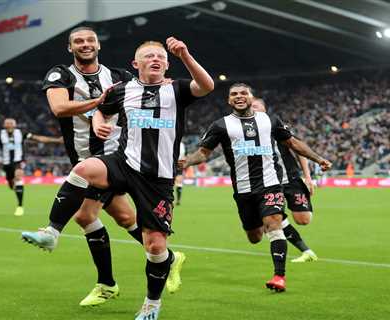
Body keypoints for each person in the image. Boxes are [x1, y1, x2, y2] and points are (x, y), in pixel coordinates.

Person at [71, 37, 214, 319]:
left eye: (160, 56)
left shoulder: (177, 90)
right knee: (84, 197)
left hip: (158, 178)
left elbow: (207, 86)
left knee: (155, 245)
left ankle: (152, 303)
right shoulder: (122, 90)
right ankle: (51, 231)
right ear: (136, 64)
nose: (155, 59)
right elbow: (103, 107)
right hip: (124, 165)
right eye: (148, 56)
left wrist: (185, 54)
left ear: (167, 63)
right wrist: (99, 120)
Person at [21, 26, 151, 307]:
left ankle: (54, 235)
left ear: (98, 45)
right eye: (78, 41)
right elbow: (59, 108)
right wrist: (98, 104)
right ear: (71, 48)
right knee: (125, 218)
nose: (85, 44)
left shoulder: (119, 77)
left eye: (90, 40)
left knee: (84, 215)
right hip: (82, 155)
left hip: (113, 157)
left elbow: (143, 98)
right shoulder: (61, 75)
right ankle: (166, 256)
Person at [183, 83, 331, 292]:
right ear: (229, 100)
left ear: (251, 97)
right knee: (254, 237)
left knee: (274, 225)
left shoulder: (269, 120)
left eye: (244, 93)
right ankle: (265, 224)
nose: (239, 96)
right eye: (234, 94)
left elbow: (294, 143)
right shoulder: (221, 125)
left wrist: (318, 158)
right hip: (243, 190)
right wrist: (187, 161)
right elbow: (203, 153)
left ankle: (279, 277)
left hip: (270, 185)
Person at [252, 98, 318, 263]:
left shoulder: (276, 126)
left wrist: (308, 177)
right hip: (271, 182)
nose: (252, 107)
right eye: (250, 106)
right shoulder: (249, 131)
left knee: (303, 220)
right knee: (273, 218)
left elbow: (298, 149)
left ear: (264, 109)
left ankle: (278, 219)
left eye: (256, 105)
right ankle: (307, 252)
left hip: (292, 178)